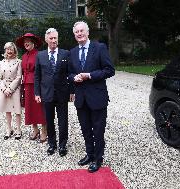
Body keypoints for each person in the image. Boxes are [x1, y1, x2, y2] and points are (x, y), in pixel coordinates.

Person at [68, 21, 115, 173]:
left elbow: (109, 70)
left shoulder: (99, 47)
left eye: (82, 31)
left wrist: (90, 75)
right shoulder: (73, 52)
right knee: (86, 129)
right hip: (81, 99)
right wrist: (73, 77)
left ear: (87, 32)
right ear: (74, 35)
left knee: (98, 130)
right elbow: (69, 73)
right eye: (77, 32)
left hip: (97, 98)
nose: (79, 33)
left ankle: (98, 159)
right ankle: (89, 154)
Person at [34, 28, 74, 156]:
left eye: (55, 38)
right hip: (46, 94)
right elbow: (37, 76)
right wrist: (37, 93)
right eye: (51, 38)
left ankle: (62, 145)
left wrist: (72, 91)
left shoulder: (65, 54)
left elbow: (70, 73)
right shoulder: (40, 55)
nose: (53, 40)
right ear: (46, 40)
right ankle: (52, 144)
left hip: (62, 93)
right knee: (49, 121)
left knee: (63, 120)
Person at [16, 33, 47, 142]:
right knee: (29, 107)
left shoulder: (40, 54)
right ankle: (35, 129)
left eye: (28, 41)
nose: (26, 43)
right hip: (27, 85)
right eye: (25, 42)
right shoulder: (24, 56)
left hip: (38, 84)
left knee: (40, 107)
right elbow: (22, 72)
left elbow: (43, 71)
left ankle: (44, 129)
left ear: (33, 42)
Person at [0, 42, 22, 140]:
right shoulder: (1, 62)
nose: (9, 51)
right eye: (7, 49)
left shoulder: (18, 62)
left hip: (14, 88)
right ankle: (9, 129)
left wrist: (10, 89)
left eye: (11, 49)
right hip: (4, 89)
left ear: (14, 50)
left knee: (17, 110)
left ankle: (18, 130)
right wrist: (4, 89)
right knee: (7, 110)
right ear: (5, 50)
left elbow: (19, 77)